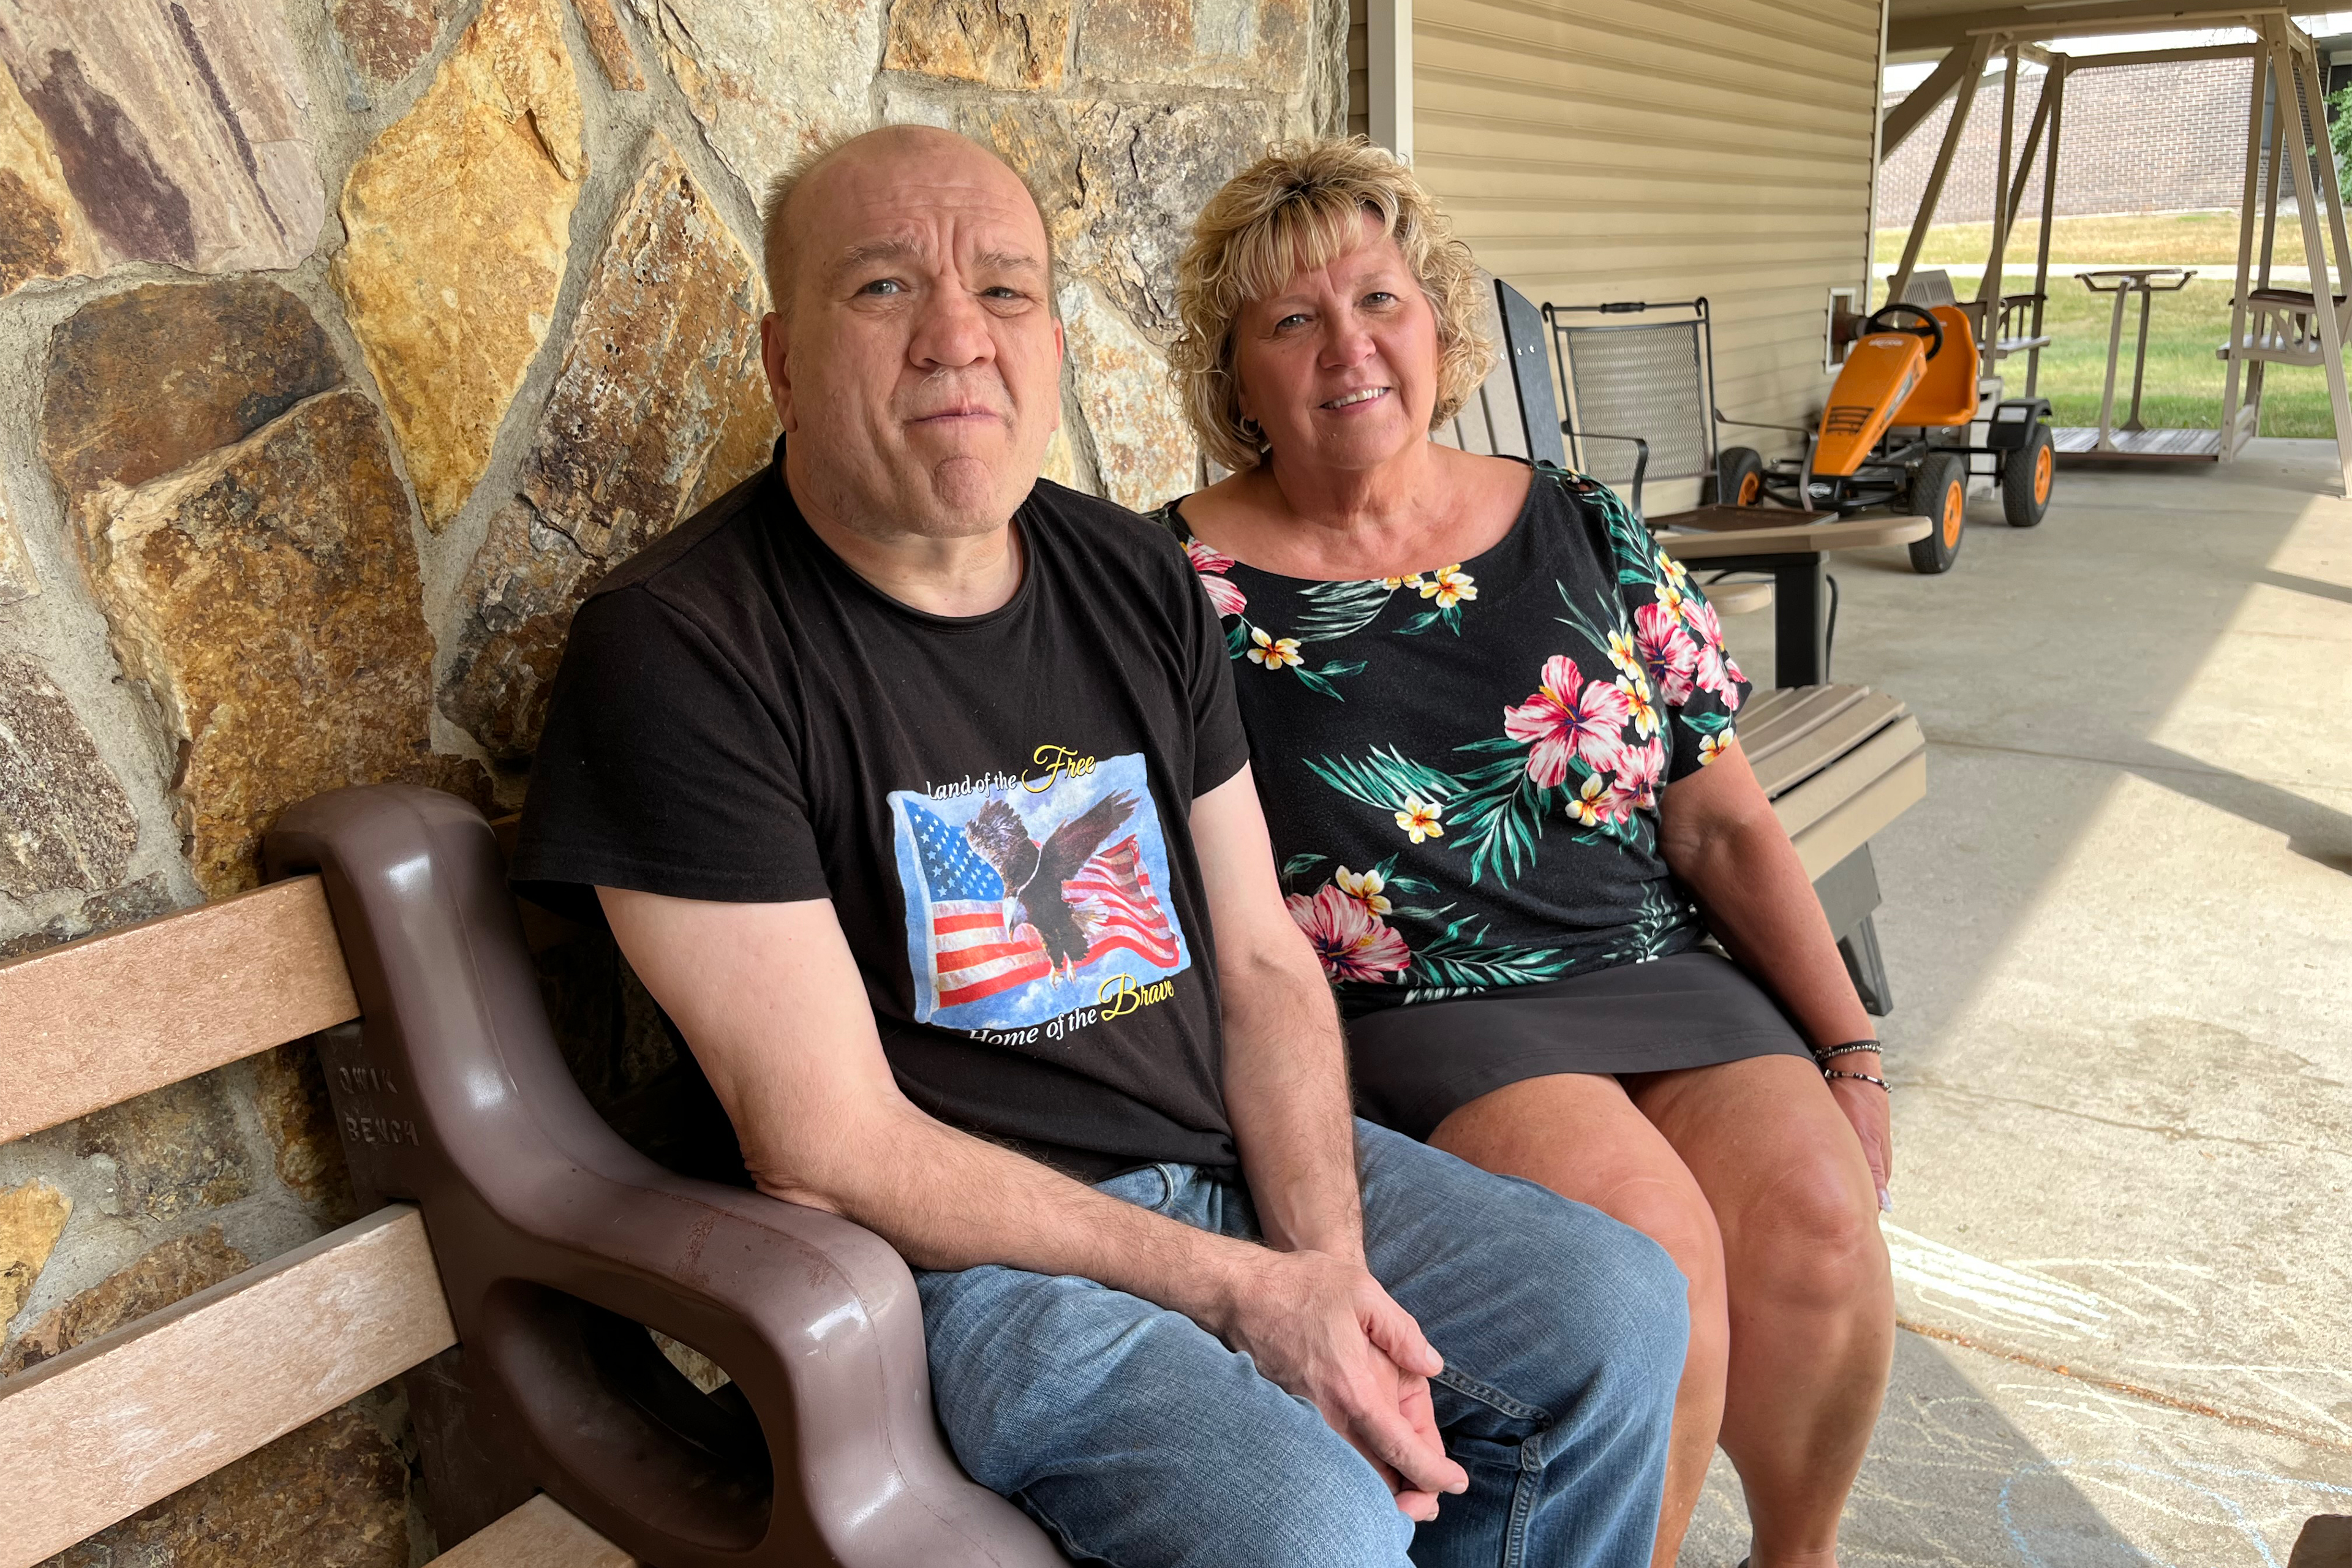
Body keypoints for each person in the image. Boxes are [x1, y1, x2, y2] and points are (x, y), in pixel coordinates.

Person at [510, 123, 1687, 1568]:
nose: (958, 336)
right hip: (965, 1264)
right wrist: (1237, 1290)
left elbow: (1261, 962)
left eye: (1004, 290)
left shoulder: (1132, 574)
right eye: (883, 287)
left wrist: (1321, 1273)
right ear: (782, 359)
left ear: (1054, 342)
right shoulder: (684, 647)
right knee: (1310, 1524)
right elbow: (828, 1144)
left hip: (1222, 1165)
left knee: (1617, 1312)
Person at [1156, 138, 1898, 1568]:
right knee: (1658, 1259)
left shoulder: (1582, 522)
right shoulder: (1173, 581)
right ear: (1235, 374)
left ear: (1439, 323)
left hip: (1652, 960)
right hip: (1421, 1004)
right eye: (1292, 319)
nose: (1347, 346)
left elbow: (1722, 816)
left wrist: (1850, 1045)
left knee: (1819, 1221)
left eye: (1379, 300)